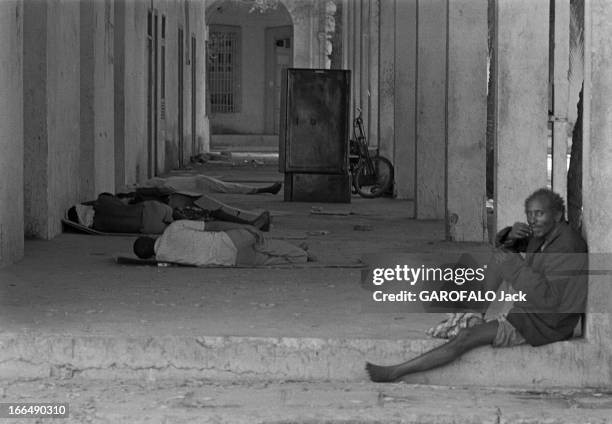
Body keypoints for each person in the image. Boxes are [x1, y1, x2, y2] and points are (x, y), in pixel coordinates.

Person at [366, 188, 588, 382]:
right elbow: (509, 246)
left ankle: (395, 372)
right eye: (529, 214)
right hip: (532, 312)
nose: (532, 220)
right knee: (502, 255)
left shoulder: (567, 246)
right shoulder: (547, 233)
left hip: (546, 324)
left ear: (558, 214)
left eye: (539, 213)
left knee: (466, 338)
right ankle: (475, 313)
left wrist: (516, 268)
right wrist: (510, 234)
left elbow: (551, 300)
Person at [133, 220, 311, 266]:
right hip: (229, 239)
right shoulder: (173, 228)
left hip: (230, 260)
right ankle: (296, 250)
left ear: (149, 256)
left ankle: (300, 256)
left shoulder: (164, 259)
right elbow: (214, 225)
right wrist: (245, 226)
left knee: (268, 261)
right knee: (265, 242)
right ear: (150, 237)